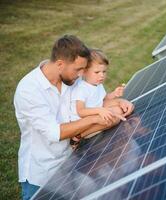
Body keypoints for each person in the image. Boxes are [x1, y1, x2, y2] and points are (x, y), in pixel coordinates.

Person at [13, 35, 134, 200]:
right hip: (42, 172)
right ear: (60, 64)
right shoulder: (29, 90)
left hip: (71, 161)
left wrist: (119, 102)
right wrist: (94, 119)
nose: (81, 75)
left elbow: (94, 103)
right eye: (78, 70)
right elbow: (55, 132)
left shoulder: (71, 80)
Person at [69, 49, 128, 147]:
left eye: (104, 71)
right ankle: (78, 136)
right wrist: (99, 110)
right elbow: (81, 111)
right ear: (84, 72)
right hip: (83, 124)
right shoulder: (81, 89)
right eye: (97, 72)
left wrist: (114, 94)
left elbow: (104, 99)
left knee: (118, 110)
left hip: (95, 117)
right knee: (115, 118)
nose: (102, 75)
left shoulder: (97, 85)